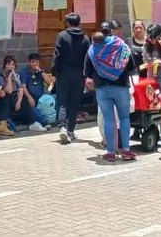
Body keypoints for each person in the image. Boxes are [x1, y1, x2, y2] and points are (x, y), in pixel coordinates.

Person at [85, 28, 137, 162]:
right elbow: (131, 67)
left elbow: (88, 71)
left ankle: (110, 152)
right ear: (111, 33)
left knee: (108, 119)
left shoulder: (92, 50)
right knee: (124, 118)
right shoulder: (122, 46)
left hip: (102, 89)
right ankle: (126, 150)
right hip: (121, 87)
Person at [53, 12, 88, 144]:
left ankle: (62, 126)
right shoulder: (85, 38)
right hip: (79, 74)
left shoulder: (62, 36)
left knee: (62, 101)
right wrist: (87, 74)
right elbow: (87, 58)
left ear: (68, 23)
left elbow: (57, 55)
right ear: (79, 23)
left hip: (64, 73)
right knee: (74, 102)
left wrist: (54, 71)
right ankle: (71, 130)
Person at [17, 53, 51, 131]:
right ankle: (44, 122)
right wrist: (29, 98)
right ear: (29, 62)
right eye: (33, 62)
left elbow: (49, 82)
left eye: (37, 62)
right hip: (29, 98)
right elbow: (23, 87)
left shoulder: (40, 72)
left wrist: (40, 71)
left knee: (53, 97)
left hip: (40, 98)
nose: (35, 64)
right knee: (28, 103)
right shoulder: (24, 72)